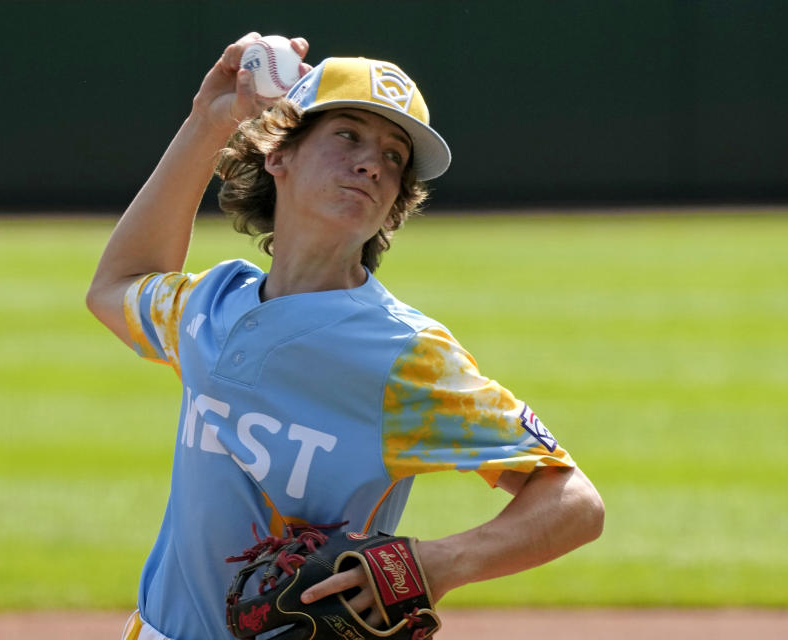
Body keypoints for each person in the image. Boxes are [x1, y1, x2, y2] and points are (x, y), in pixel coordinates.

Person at [87, 32, 604, 640]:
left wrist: (439, 564)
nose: (372, 164)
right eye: (348, 135)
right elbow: (117, 285)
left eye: (393, 156)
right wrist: (207, 122)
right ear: (279, 154)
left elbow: (573, 502)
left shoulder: (406, 355)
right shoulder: (210, 303)